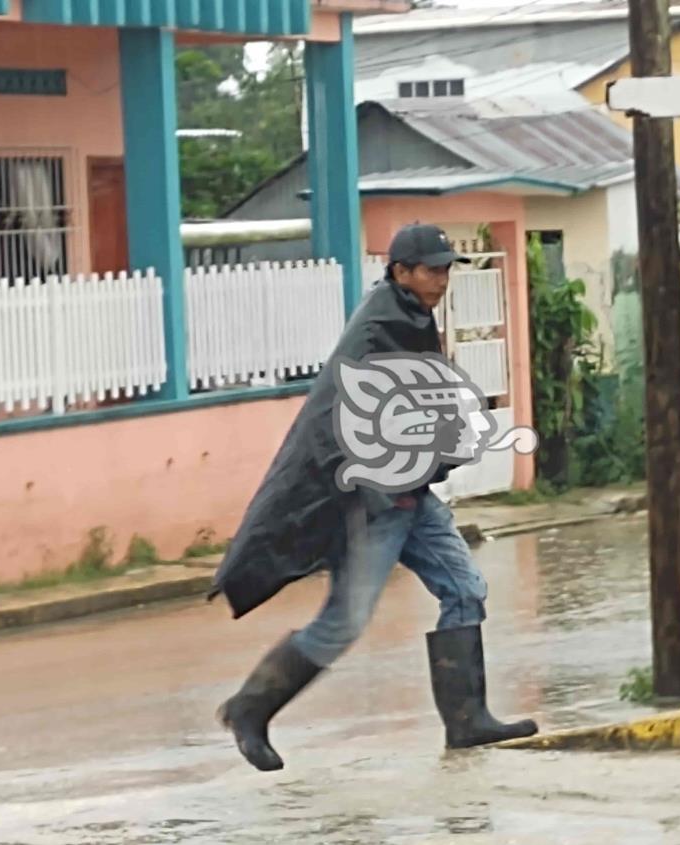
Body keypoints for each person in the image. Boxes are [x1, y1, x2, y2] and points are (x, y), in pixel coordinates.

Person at [210, 223, 539, 772]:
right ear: (400, 272)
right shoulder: (381, 325)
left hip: (409, 491)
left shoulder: (408, 317)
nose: (441, 278)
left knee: (465, 588)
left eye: (446, 269)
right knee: (344, 621)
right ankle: (249, 707)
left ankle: (467, 721)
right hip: (374, 500)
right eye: (431, 269)